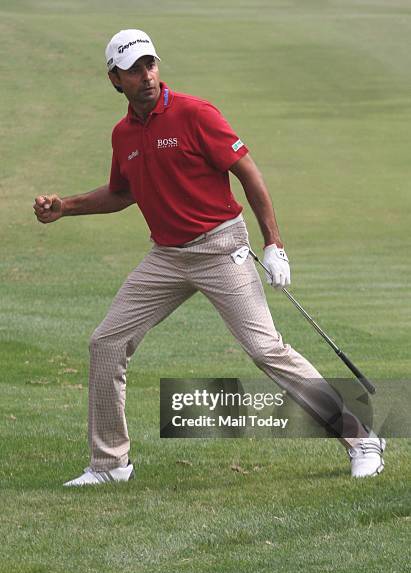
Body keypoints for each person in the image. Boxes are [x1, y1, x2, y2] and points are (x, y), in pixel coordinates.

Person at [33, 29, 385, 486]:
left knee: (266, 350)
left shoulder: (195, 114)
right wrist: (67, 208)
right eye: (134, 70)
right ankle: (110, 465)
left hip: (221, 247)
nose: (146, 76)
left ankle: (363, 440)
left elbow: (249, 176)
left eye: (150, 65)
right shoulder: (124, 134)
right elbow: (123, 193)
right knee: (106, 343)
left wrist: (273, 244)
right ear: (114, 80)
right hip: (167, 257)